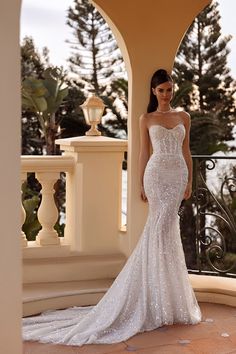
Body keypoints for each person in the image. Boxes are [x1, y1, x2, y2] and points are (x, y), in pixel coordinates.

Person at [22, 69, 202, 346]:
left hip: (176, 176)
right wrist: (141, 182)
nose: (166, 94)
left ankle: (166, 297)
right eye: (161, 90)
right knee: (159, 229)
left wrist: (189, 179)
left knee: (167, 231)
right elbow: (143, 152)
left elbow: (186, 150)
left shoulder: (183, 117)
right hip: (156, 177)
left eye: (169, 89)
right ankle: (152, 296)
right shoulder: (147, 118)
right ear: (153, 92)